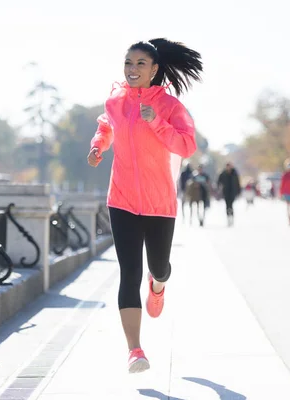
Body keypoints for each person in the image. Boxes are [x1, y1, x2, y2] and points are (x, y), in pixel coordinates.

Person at [87, 38, 202, 373]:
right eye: (128, 63)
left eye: (140, 64)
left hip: (159, 203)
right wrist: (98, 147)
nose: (132, 69)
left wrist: (156, 121)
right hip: (121, 200)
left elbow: (186, 145)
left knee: (159, 266)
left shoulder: (169, 106)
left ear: (154, 69)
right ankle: (135, 350)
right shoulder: (115, 102)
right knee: (128, 272)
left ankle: (159, 284)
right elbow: (106, 127)